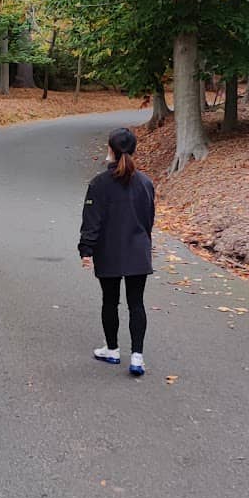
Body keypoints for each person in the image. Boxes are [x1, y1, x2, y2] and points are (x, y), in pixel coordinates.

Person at [78, 126, 156, 377]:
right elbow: (148, 219)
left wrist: (86, 250)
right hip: (137, 249)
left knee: (110, 301)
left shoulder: (99, 184)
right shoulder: (145, 183)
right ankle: (137, 357)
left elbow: (92, 220)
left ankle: (112, 349)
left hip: (109, 250)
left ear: (111, 150)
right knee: (137, 303)